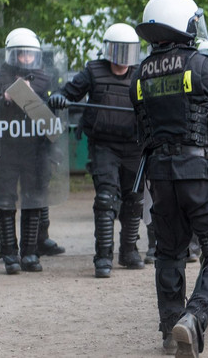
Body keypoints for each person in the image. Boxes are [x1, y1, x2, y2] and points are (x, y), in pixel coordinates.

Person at [129, 0, 208, 357]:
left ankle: (170, 330)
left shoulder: (139, 75)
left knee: (169, 252)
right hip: (201, 172)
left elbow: (141, 132)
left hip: (159, 177)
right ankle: (194, 317)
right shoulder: (202, 65)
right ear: (183, 23)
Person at [48, 23, 145, 278]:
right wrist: (58, 97)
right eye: (119, 51)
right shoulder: (93, 70)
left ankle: (128, 251)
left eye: (128, 52)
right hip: (103, 144)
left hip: (134, 146)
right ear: (109, 51)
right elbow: (67, 92)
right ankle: (103, 257)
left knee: (134, 198)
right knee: (105, 199)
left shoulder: (142, 74)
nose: (123, 59)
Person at [0, 28, 65, 274]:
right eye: (21, 54)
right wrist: (1, 100)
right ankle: (9, 255)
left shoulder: (46, 79)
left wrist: (54, 100)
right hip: (5, 151)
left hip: (35, 152)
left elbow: (55, 119)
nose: (25, 59)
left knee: (34, 200)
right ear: (11, 54)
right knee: (4, 202)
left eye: (30, 55)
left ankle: (29, 253)